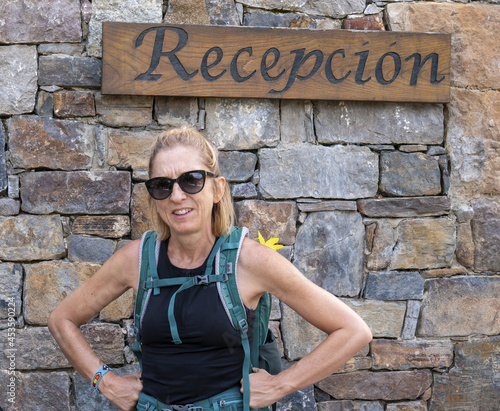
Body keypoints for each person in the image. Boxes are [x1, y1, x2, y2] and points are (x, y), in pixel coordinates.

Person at [48, 126, 372, 411]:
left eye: (191, 180)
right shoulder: (136, 260)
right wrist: (106, 382)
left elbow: (353, 331)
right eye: (162, 185)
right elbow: (62, 319)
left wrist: (280, 385)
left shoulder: (250, 261)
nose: (176, 196)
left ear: (217, 189)